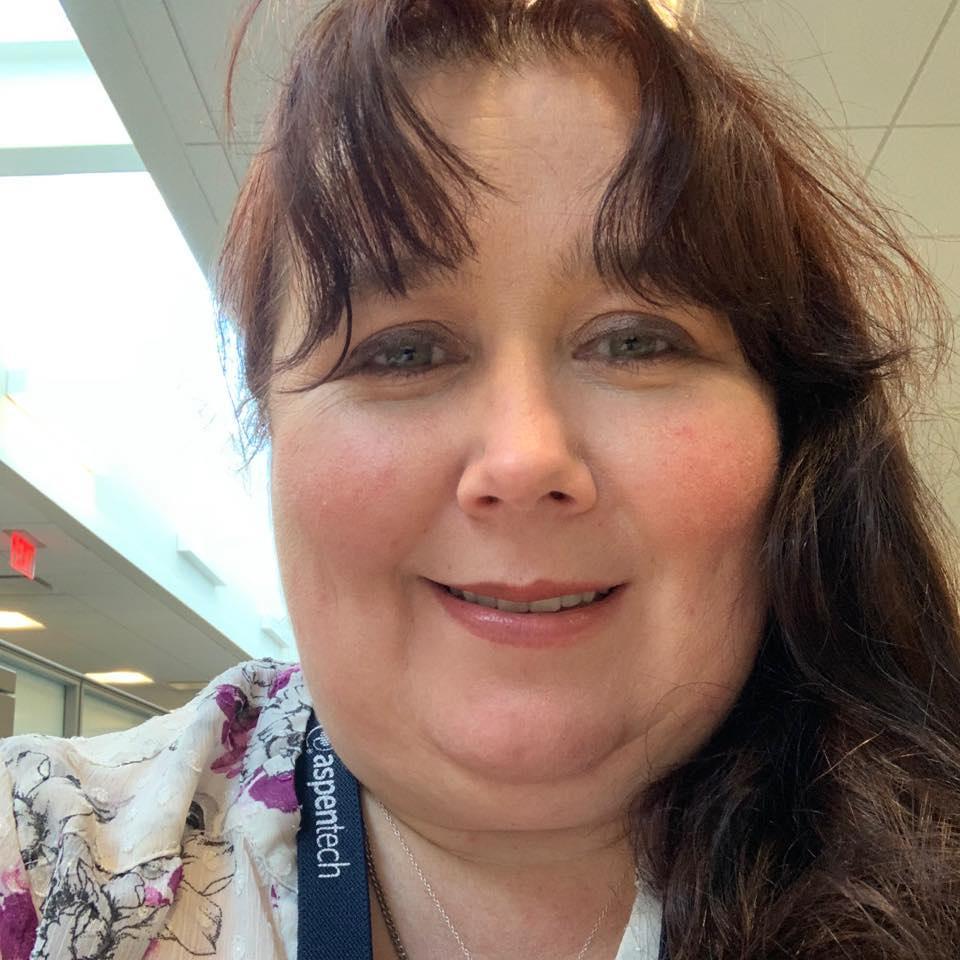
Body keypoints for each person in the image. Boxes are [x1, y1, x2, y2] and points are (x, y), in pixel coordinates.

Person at [2, 0, 959, 957]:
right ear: (271, 432)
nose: (524, 458)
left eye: (637, 341)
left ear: (794, 430)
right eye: (403, 353)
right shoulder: (44, 856)